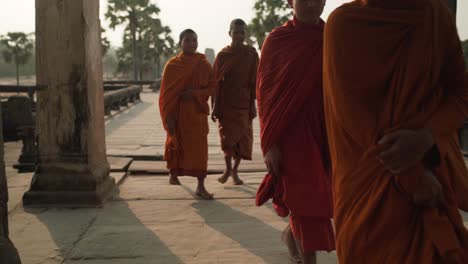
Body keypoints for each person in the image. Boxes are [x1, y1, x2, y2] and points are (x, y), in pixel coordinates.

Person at [323, 0, 468, 263]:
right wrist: (414, 177)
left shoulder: (435, 17)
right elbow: (354, 116)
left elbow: (461, 92)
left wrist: (428, 136)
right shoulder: (343, 24)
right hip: (372, 188)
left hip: (430, 172)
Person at [256, 0, 334, 263]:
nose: (312, 4)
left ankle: (292, 236)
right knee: (303, 197)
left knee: (319, 195)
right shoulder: (278, 40)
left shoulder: (333, 36)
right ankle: (308, 257)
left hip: (326, 132)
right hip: (291, 135)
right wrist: (270, 144)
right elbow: (265, 96)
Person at [159, 29, 216, 199]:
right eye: (188, 40)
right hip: (178, 114)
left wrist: (195, 94)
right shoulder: (172, 65)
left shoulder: (202, 63)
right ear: (180, 43)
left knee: (200, 150)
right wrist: (168, 117)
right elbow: (166, 95)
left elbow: (212, 86)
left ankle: (200, 186)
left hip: (196, 115)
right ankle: (174, 173)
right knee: (177, 144)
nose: (192, 43)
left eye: (194, 40)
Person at [211, 18, 259, 185]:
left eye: (242, 32)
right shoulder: (223, 55)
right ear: (229, 33)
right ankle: (227, 169)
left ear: (245, 34)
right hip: (226, 103)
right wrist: (214, 106)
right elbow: (215, 82)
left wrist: (253, 103)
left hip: (244, 102)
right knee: (227, 139)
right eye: (236, 32)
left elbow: (255, 80)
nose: (239, 35)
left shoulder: (251, 54)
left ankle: (235, 171)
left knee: (242, 140)